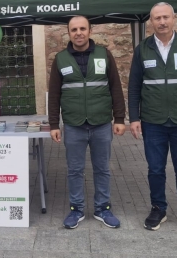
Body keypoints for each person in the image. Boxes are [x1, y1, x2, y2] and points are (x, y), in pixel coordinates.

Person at [128, 2, 177, 236]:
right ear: (150, 22)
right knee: (155, 169)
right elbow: (134, 87)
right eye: (156, 18)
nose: (161, 22)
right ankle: (158, 208)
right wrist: (134, 117)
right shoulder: (142, 49)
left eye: (165, 17)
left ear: (174, 19)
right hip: (153, 122)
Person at [48, 16, 126, 229]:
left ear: (90, 31)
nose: (79, 32)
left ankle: (103, 209)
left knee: (102, 168)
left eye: (83, 28)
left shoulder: (104, 54)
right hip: (73, 125)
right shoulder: (61, 59)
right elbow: (54, 94)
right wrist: (54, 124)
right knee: (74, 170)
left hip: (101, 123)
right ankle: (77, 209)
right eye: (74, 29)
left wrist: (119, 118)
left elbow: (115, 88)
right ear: (69, 32)